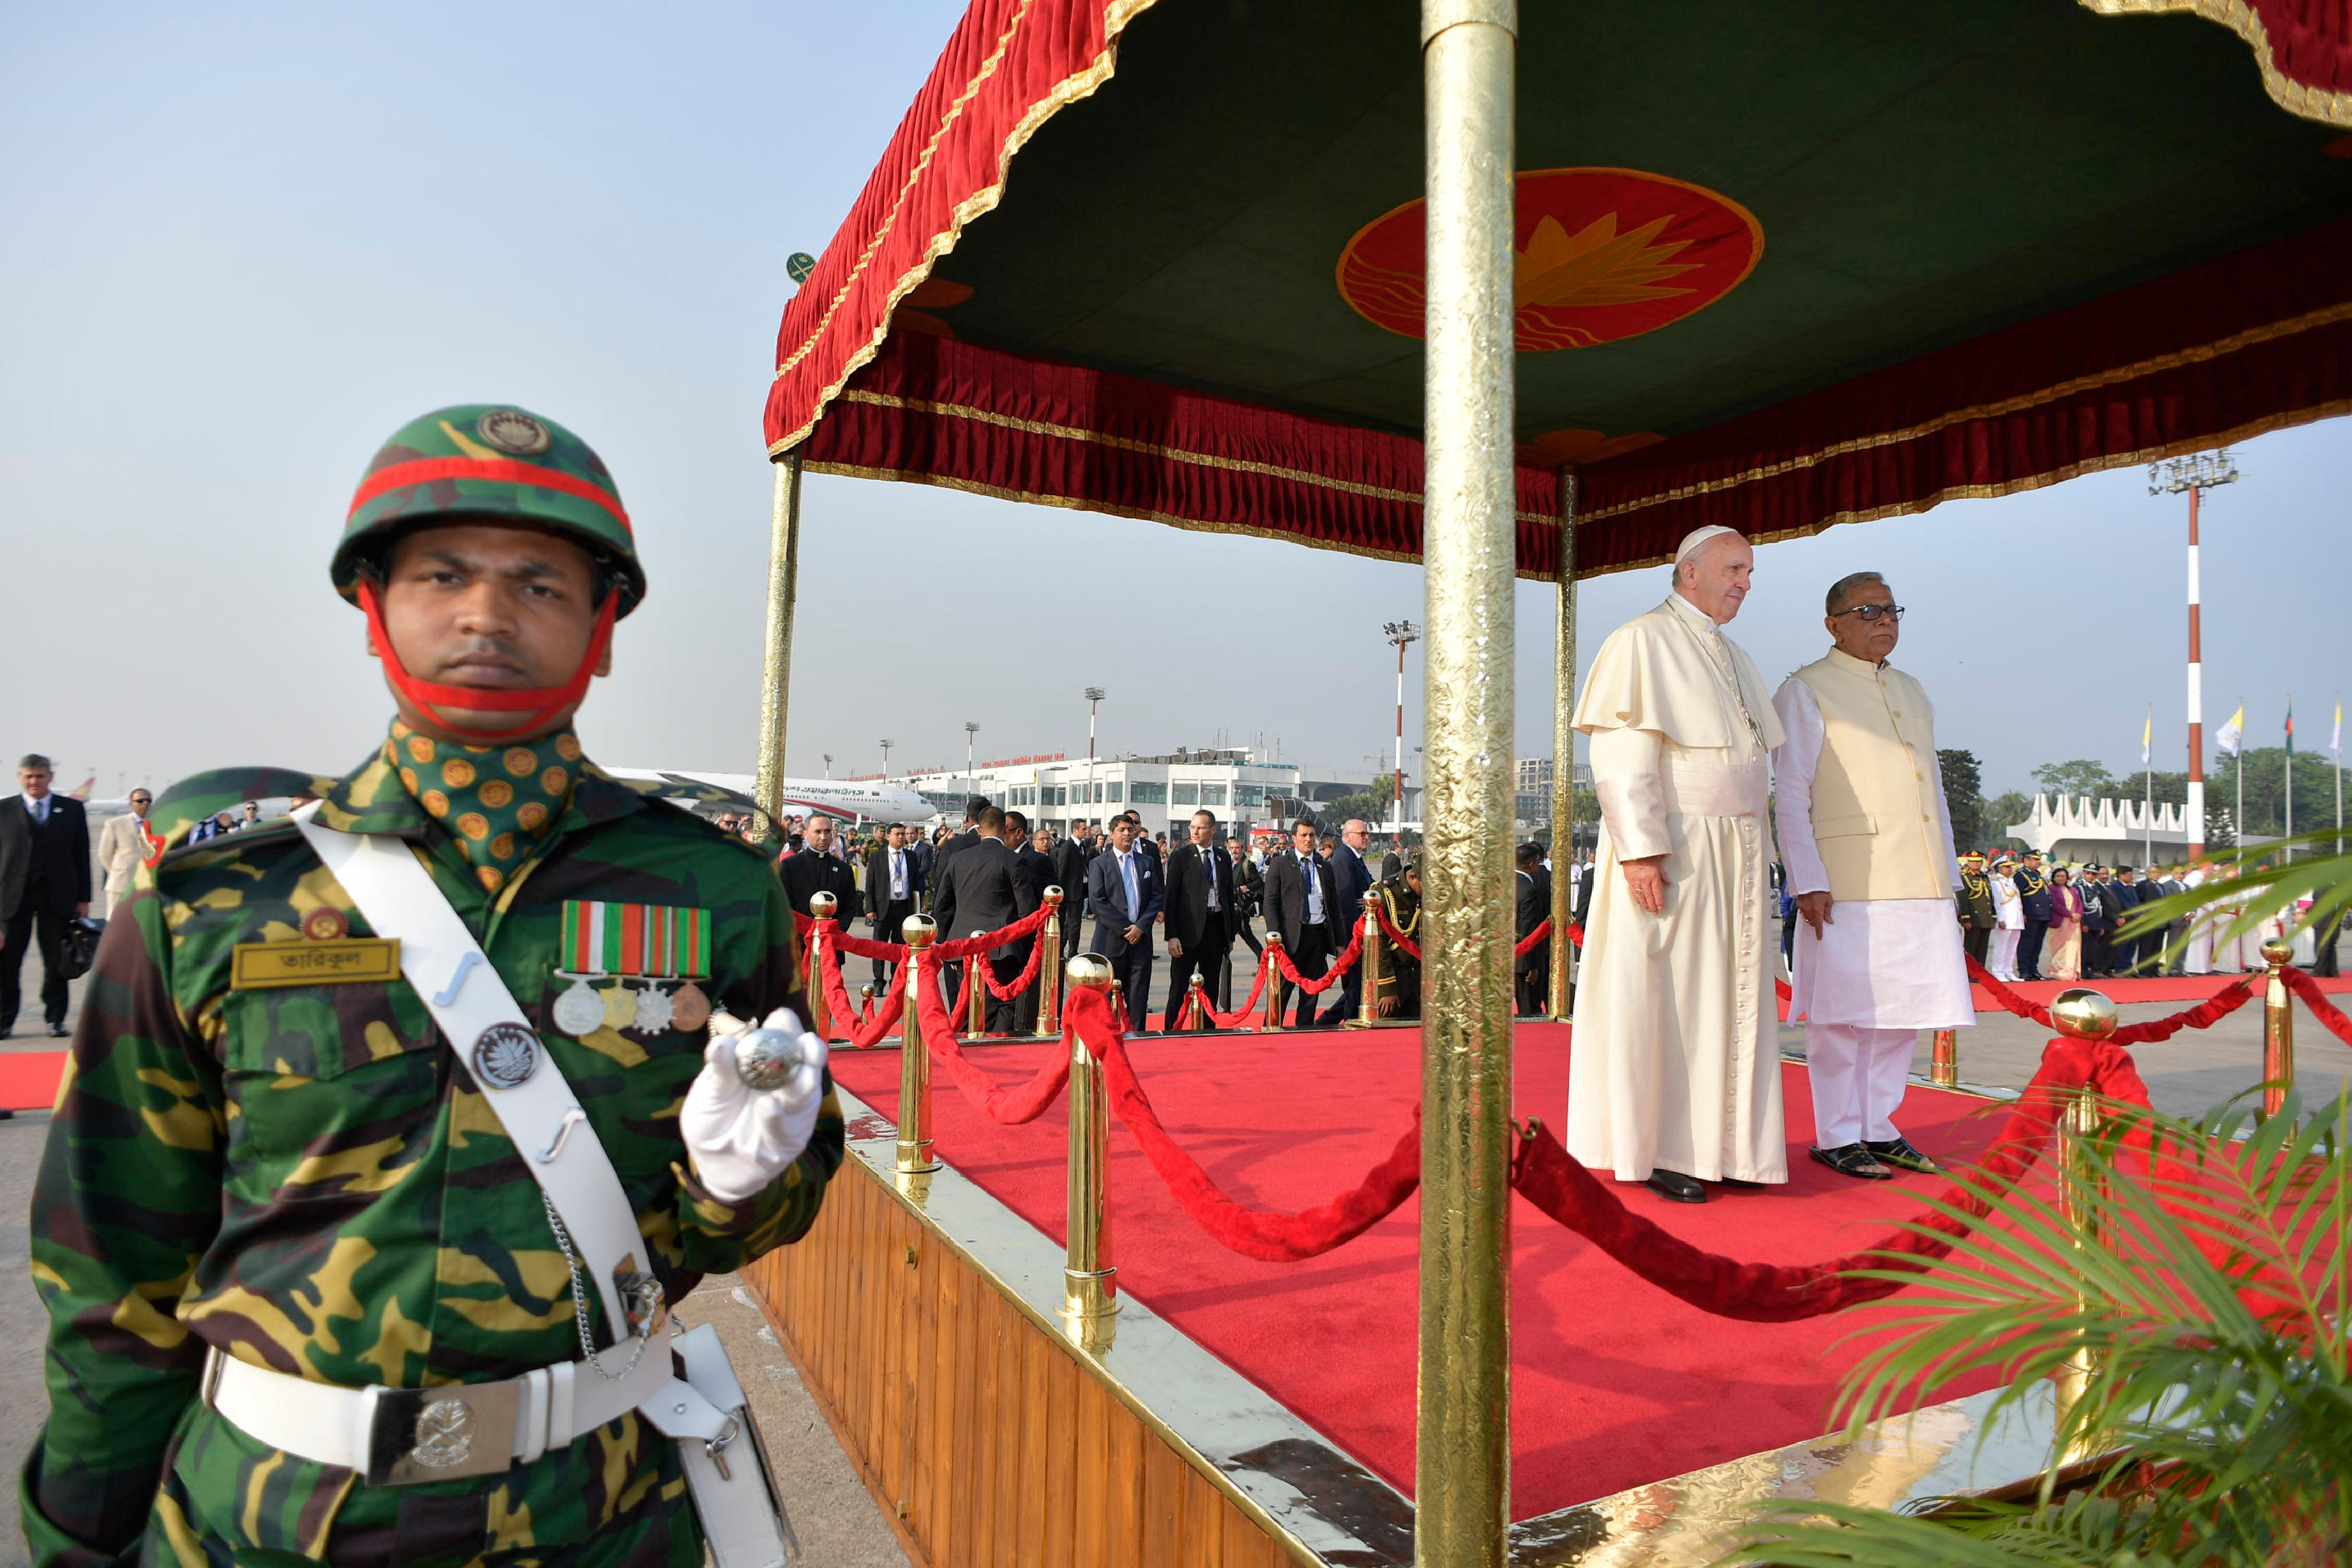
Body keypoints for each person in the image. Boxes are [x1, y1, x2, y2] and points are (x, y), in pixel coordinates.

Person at [25, 404, 840, 1568]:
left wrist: (734, 1185)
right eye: (442, 575)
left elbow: (784, 1182)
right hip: (265, 1522)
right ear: (372, 609)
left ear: (604, 624)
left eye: (540, 585)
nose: (485, 614)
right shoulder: (217, 900)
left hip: (595, 1518)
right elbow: (111, 1270)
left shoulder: (715, 891)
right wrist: (80, 1539)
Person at [1569, 525, 1787, 1203]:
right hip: (1679, 844)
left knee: (1732, 999)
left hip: (1738, 849)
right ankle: (1668, 1147)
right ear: (1690, 572)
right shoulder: (1642, 640)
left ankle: (1731, 1147)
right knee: (1675, 996)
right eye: (1734, 569)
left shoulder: (1734, 654)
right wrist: (1641, 851)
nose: (1745, 583)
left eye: (1749, 572)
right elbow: (1622, 758)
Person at [1770, 569, 1965, 1181]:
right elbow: (1790, 794)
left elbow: (1932, 790)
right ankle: (1837, 1134)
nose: (1883, 620)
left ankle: (1878, 1126)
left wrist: (1950, 877)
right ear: (1833, 625)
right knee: (1841, 1015)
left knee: (1903, 1011)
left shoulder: (1911, 689)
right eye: (1868, 611)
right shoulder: (1805, 688)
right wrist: (1806, 879)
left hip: (1920, 877)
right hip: (1846, 880)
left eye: (1890, 610)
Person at [2, 754, 91, 1039]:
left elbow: (81, 855)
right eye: (29, 776)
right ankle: (4, 1020)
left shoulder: (72, 809)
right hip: (12, 899)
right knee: (7, 963)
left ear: (50, 777)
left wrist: (83, 899)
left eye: (39, 776)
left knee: (57, 962)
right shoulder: (4, 810)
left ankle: (56, 1019)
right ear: (20, 778)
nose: (34, 782)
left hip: (57, 897)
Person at [932, 805, 1036, 1035]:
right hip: (1001, 947)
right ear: (1005, 829)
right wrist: (1025, 950)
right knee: (1004, 1003)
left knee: (966, 1004)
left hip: (963, 945)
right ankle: (994, 1045)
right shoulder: (1013, 860)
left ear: (980, 830)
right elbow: (1027, 911)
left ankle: (968, 1045)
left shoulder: (958, 859)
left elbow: (943, 907)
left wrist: (947, 944)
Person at [1262, 817, 1342, 1029]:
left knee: (1311, 991)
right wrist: (1275, 936)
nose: (1308, 839)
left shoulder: (1324, 867)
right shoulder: (1281, 864)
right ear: (1294, 838)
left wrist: (1339, 942)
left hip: (1317, 935)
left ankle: (1305, 1030)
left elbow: (1334, 907)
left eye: (1312, 835)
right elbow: (1270, 903)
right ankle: (1271, 1028)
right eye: (1304, 835)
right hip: (1289, 938)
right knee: (1282, 989)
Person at [1085, 816, 1161, 1030]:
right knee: (1106, 1000)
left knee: (1138, 999)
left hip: (1141, 942)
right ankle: (1107, 1041)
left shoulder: (1146, 862)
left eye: (1130, 829)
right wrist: (1127, 930)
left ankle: (1137, 1040)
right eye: (1121, 830)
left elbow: (1157, 896)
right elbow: (1098, 902)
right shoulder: (1099, 863)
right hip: (1110, 942)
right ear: (1112, 834)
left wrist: (1141, 927)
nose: (1127, 834)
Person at [1160, 810, 1233, 1029]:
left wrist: (1229, 935)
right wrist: (1172, 936)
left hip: (1215, 928)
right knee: (1179, 987)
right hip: (1187, 932)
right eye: (1192, 827)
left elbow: (1228, 896)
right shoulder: (1181, 857)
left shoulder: (1222, 857)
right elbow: (1171, 898)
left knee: (1211, 987)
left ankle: (1208, 1030)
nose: (1195, 831)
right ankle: (1171, 1030)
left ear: (1213, 830)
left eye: (1200, 827)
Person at [780, 811, 861, 986]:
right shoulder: (790, 866)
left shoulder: (843, 870)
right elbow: (783, 906)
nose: (823, 837)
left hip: (831, 945)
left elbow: (849, 907)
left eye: (827, 831)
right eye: (817, 832)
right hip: (798, 946)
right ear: (805, 834)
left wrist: (834, 931)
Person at [1316, 818, 1376, 1026]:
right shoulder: (1344, 859)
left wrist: (1371, 896)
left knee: (1357, 987)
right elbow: (1344, 904)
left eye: (1367, 834)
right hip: (1352, 935)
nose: (1366, 837)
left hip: (1359, 934)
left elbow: (1371, 886)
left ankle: (1326, 1021)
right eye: (1362, 834)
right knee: (1353, 987)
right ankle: (1348, 1024)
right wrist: (1348, 941)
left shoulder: (1355, 858)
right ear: (1348, 836)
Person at [1004, 810, 1056, 1032]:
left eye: (1005, 830)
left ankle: (1021, 1028)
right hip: (1004, 934)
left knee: (1024, 988)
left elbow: (1050, 899)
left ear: (1019, 833)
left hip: (1026, 936)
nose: (1001, 834)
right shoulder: (1002, 856)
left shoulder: (1037, 861)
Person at [864, 822, 920, 986]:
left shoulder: (911, 856)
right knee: (880, 947)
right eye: (897, 834)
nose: (901, 837)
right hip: (883, 908)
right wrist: (870, 908)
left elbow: (916, 883)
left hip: (903, 908)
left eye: (903, 834)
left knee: (899, 947)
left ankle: (896, 981)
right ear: (889, 836)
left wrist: (917, 909)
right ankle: (878, 981)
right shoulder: (877, 857)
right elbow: (870, 885)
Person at [1371, 852, 1423, 1020]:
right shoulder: (1386, 893)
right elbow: (1378, 945)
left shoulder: (1426, 898)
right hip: (1395, 982)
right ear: (1413, 877)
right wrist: (1386, 988)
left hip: (1420, 985)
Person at [96, 788, 158, 916]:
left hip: (149, 885)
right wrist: (118, 870)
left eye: (148, 801)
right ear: (131, 804)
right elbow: (105, 854)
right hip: (121, 883)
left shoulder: (158, 824)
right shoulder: (115, 824)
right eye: (140, 801)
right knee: (117, 919)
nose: (145, 804)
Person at [930, 795, 988, 907]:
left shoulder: (953, 845)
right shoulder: (1002, 845)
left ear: (968, 818)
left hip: (958, 908)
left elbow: (941, 880)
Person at [1513, 841, 1549, 1015]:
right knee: (1530, 1010)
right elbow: (1529, 932)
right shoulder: (1529, 891)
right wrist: (1532, 966)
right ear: (1532, 864)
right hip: (1524, 962)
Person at [1050, 818, 1094, 961]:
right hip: (1070, 892)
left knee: (1072, 924)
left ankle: (1064, 951)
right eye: (1083, 829)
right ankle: (1071, 952)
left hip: (1080, 890)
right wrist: (1060, 892)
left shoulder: (1082, 845)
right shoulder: (1068, 847)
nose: (1086, 831)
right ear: (1075, 831)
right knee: (1073, 924)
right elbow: (1062, 870)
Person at [2013, 850, 2053, 981]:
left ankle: (2033, 969)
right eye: (2035, 860)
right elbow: (2018, 895)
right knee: (2027, 944)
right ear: (2026, 860)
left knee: (2037, 944)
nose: (2038, 862)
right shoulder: (2021, 875)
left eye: (2038, 860)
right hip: (2031, 914)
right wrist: (2023, 913)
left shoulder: (2038, 874)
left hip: (2043, 914)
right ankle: (2024, 970)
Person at [2044, 865, 2086, 981]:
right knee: (2060, 948)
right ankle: (2059, 972)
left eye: (2063, 876)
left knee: (2073, 946)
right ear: (2053, 878)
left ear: (2067, 878)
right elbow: (2055, 905)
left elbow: (2079, 904)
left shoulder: (2072, 890)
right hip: (2060, 922)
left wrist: (2078, 915)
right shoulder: (2051, 889)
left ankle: (2072, 972)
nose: (2061, 878)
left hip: (2074, 923)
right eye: (2058, 876)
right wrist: (2070, 914)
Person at [1956, 850, 1996, 970]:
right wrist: (1965, 919)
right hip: (1974, 918)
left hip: (1986, 918)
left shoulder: (1985, 878)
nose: (1976, 864)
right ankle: (1971, 973)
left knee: (1982, 949)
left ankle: (1981, 972)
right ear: (1968, 862)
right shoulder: (1965, 878)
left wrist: (1993, 916)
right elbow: (1963, 900)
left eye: (1978, 861)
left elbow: (1990, 898)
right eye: (1973, 862)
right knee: (1971, 948)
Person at [2077, 863, 2114, 978]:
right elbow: (2081, 906)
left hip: (2096, 922)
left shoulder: (2095, 888)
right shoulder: (2079, 887)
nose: (2091, 876)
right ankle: (2083, 970)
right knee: (2085, 948)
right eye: (2088, 873)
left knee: (2094, 949)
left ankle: (2091, 969)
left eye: (2094, 874)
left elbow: (2099, 908)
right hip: (2087, 921)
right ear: (2084, 873)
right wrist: (2084, 923)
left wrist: (2101, 925)